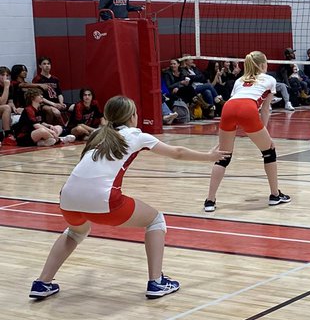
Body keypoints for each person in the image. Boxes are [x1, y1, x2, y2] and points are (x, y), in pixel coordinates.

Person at [29, 94, 220, 300]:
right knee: (156, 220)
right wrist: (209, 157)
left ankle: (42, 282)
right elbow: (178, 152)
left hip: (67, 198)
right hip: (102, 199)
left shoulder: (98, 134)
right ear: (131, 117)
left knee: (75, 232)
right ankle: (156, 282)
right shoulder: (136, 135)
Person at [203, 50, 291, 213]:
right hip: (248, 108)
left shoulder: (239, 80)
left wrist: (224, 139)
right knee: (269, 151)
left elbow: (236, 104)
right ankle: (275, 195)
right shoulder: (269, 79)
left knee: (223, 156)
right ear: (263, 64)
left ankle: (210, 200)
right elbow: (265, 109)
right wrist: (265, 133)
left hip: (228, 108)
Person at [32, 56, 70, 126]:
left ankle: (71, 125)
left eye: (48, 64)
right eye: (44, 64)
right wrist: (54, 104)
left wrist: (61, 103)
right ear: (40, 66)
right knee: (56, 112)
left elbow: (59, 93)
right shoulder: (37, 79)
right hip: (44, 104)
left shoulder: (55, 79)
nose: (47, 66)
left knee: (73, 107)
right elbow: (39, 96)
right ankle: (61, 127)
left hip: (57, 102)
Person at [0, 66, 12, 140]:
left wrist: (14, 108)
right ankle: (8, 135)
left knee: (8, 107)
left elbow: (10, 101)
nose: (5, 77)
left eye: (7, 75)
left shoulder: (11, 86)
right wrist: (6, 87)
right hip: (1, 106)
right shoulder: (7, 85)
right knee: (6, 107)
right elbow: (2, 102)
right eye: (2, 75)